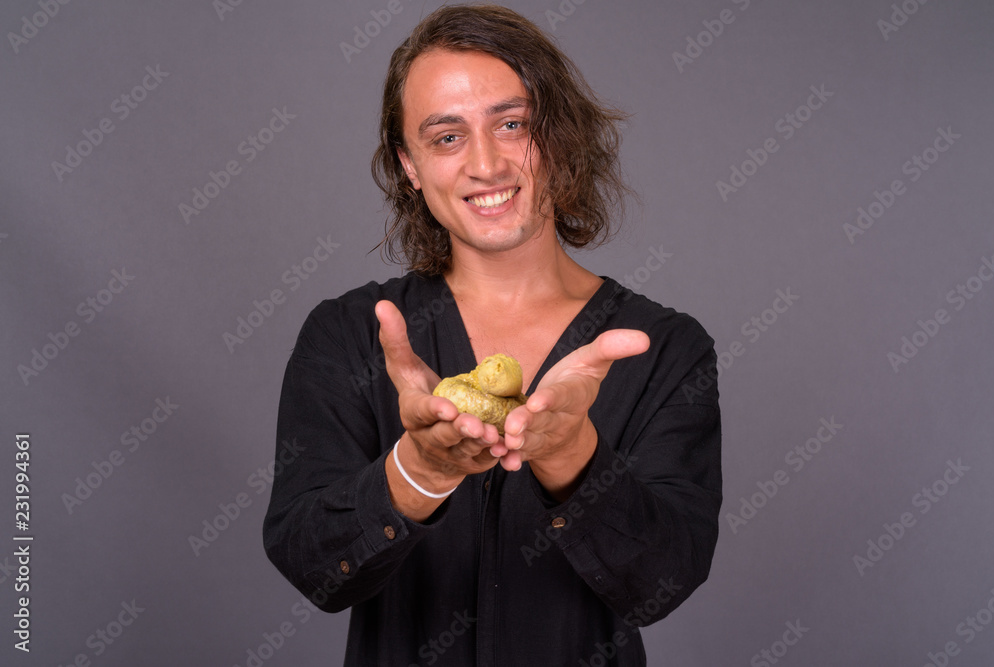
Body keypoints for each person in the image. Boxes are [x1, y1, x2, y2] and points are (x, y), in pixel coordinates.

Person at [263, 5, 722, 665]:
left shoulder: (663, 348)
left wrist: (570, 456)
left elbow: (660, 584)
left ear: (559, 137)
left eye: (512, 125)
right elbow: (313, 565)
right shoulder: (347, 336)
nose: (485, 163)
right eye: (446, 137)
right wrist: (419, 470)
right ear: (410, 164)